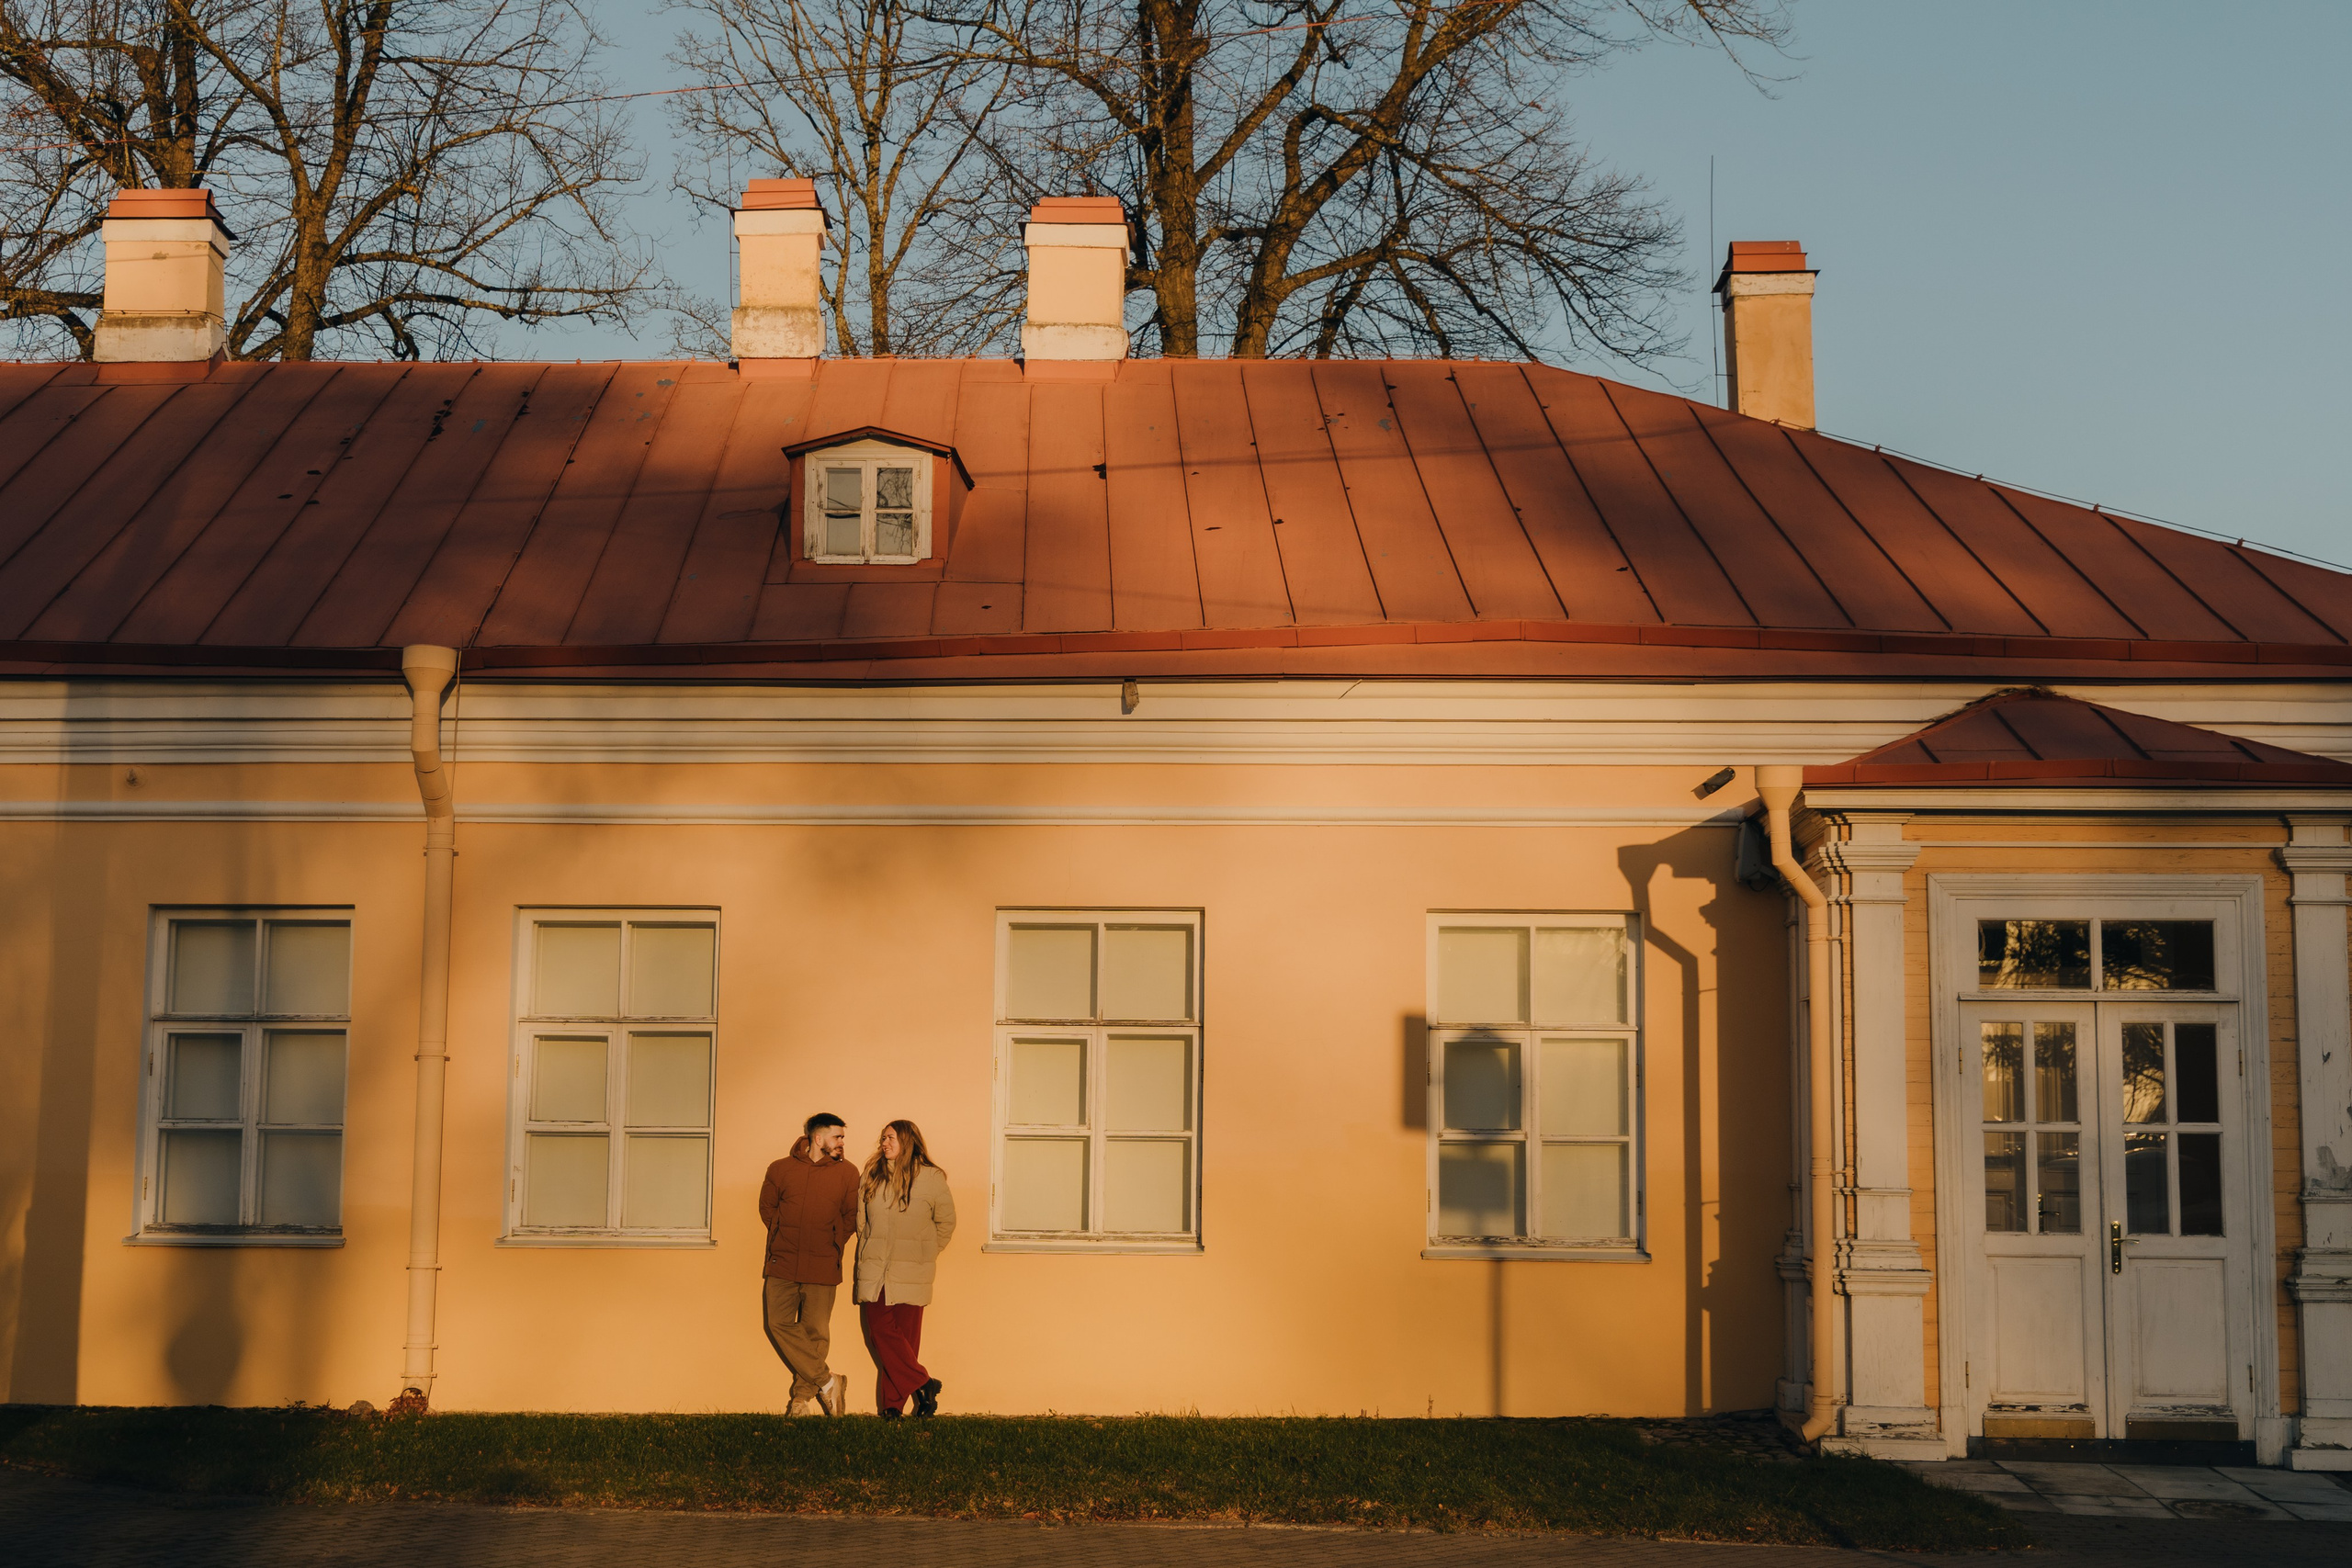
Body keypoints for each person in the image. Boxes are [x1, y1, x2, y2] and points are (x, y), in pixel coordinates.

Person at [757, 1111, 859, 1416]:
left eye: (842, 1137)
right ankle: (829, 1382)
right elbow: (767, 1207)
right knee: (778, 1323)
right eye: (837, 1136)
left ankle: (801, 1401)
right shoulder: (780, 1169)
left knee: (815, 1332)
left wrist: (831, 1244)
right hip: (783, 1263)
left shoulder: (848, 1173)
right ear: (818, 1138)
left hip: (822, 1265)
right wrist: (781, 1235)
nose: (842, 1142)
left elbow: (850, 1216)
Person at [854, 1119, 956, 1418]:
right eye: (883, 1138)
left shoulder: (932, 1178)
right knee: (881, 1332)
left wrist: (924, 1253)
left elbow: (946, 1223)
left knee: (906, 1339)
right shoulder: (871, 1176)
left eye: (890, 1138)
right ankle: (924, 1383)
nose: (884, 1143)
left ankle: (892, 1408)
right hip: (877, 1269)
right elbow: (862, 1222)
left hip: (913, 1271)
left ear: (908, 1141)